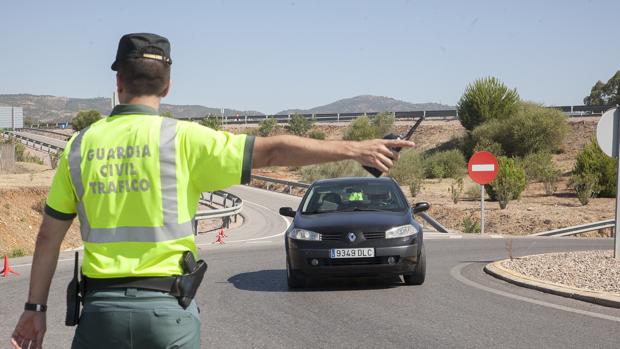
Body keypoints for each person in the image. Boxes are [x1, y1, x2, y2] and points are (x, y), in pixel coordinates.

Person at [10, 33, 414, 349]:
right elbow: (272, 150)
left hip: (100, 316)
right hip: (167, 314)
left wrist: (35, 308)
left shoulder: (79, 146)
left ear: (118, 81)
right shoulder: (184, 140)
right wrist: (356, 147)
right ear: (168, 86)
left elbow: (48, 237)